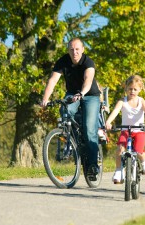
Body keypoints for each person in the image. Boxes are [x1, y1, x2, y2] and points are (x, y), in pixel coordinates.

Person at [40, 37, 101, 180]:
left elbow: (88, 80)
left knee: (89, 128)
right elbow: (53, 80)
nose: (75, 52)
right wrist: (45, 99)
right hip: (72, 94)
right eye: (72, 49)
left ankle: (93, 166)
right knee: (65, 111)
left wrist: (82, 93)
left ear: (83, 50)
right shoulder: (63, 61)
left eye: (77, 49)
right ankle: (73, 139)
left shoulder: (88, 62)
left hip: (90, 95)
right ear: (68, 50)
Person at [105, 75, 145, 184]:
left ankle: (144, 162)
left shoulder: (142, 101)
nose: (132, 91)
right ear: (126, 89)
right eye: (130, 89)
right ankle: (119, 170)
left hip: (139, 131)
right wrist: (108, 122)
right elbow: (115, 111)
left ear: (140, 89)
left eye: (135, 89)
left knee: (139, 150)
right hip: (125, 131)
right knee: (120, 149)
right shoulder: (122, 101)